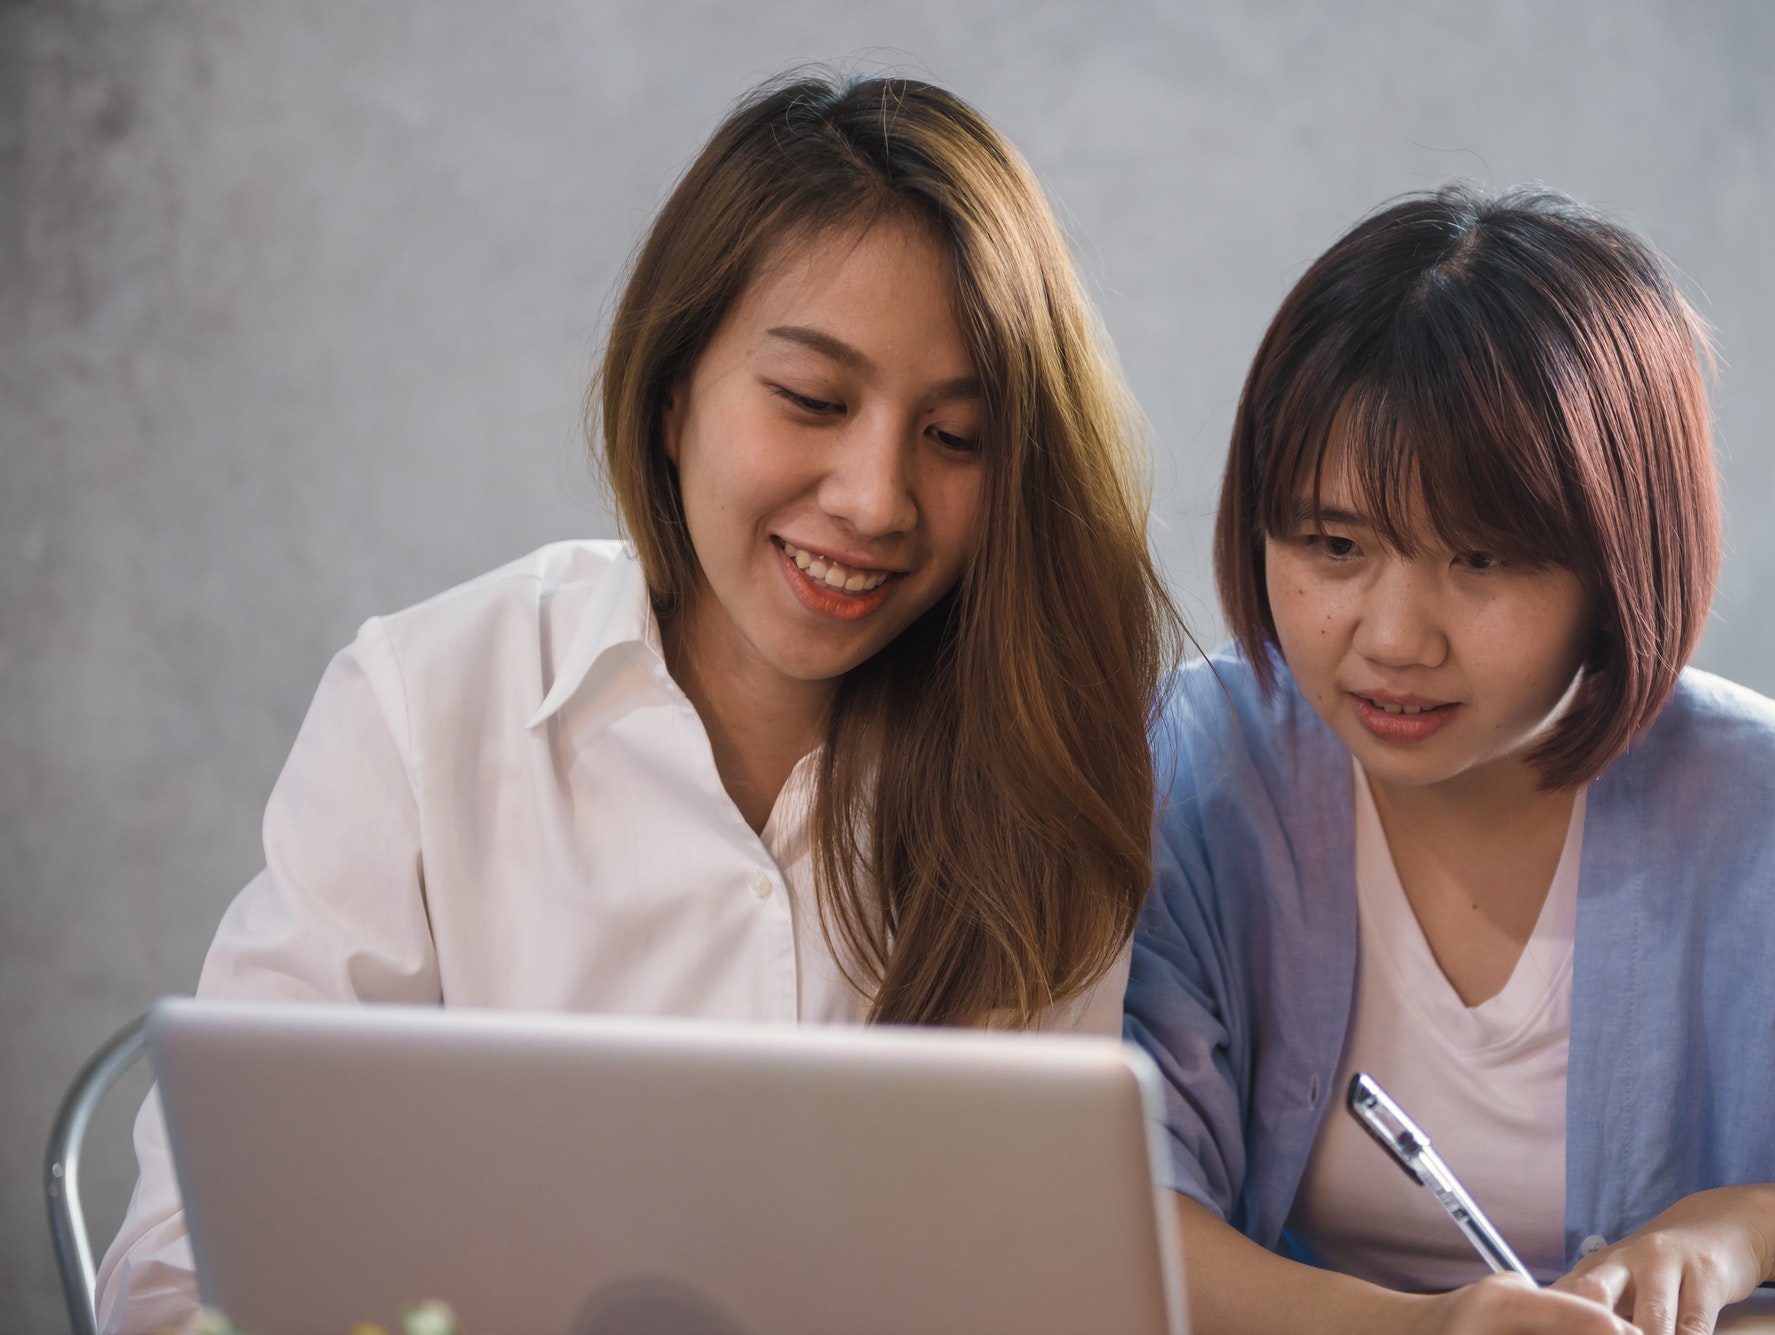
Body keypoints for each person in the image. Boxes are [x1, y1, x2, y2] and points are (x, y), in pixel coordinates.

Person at [97, 74, 1175, 1332]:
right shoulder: (425, 705)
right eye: (812, 401)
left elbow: (1038, 1298)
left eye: (955, 437)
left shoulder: (1039, 772)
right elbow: (180, 1276)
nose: (877, 499)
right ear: (673, 396)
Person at [1124, 186, 1775, 1335]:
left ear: (1619, 564)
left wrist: (1754, 1227)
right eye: (1331, 546)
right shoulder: (1188, 778)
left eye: (1480, 559)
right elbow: (1120, 1218)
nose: (1391, 638)